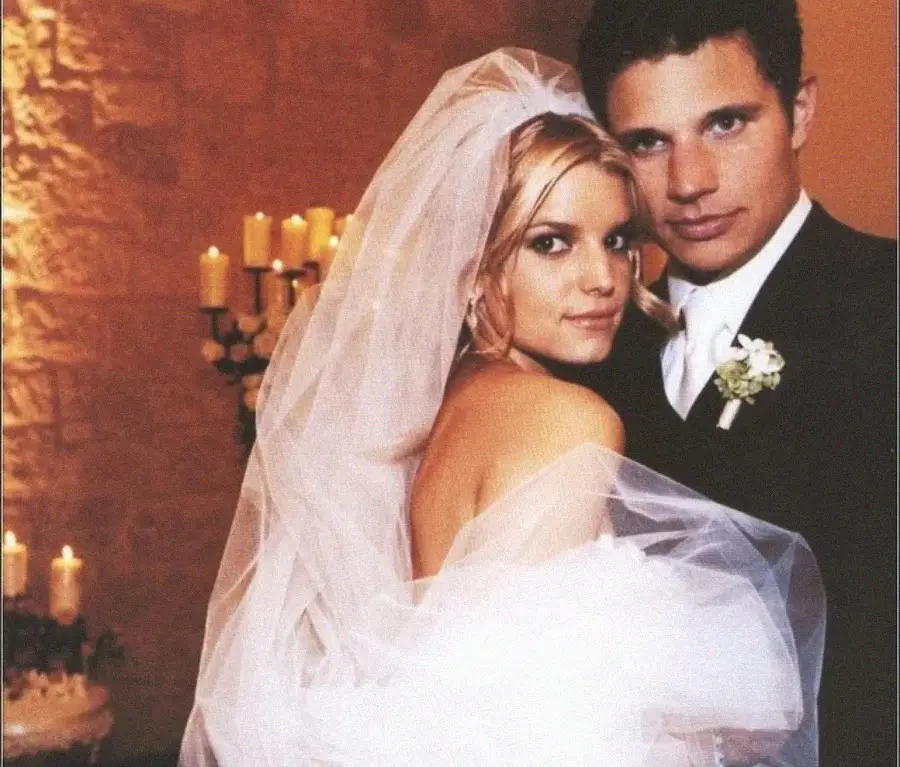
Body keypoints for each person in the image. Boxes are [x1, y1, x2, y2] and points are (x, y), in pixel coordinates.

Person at [179, 49, 824, 767]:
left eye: (616, 241)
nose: (602, 278)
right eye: (552, 244)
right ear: (481, 271)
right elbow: (536, 734)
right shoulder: (569, 420)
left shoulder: (448, 403)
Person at [577, 2, 897, 765]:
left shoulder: (886, 303)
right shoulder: (586, 351)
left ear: (799, 111)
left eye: (727, 124)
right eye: (648, 142)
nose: (689, 182)